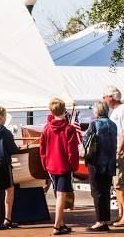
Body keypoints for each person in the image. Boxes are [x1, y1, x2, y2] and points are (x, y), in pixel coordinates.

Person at [40, 98, 79, 235]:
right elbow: (72, 151)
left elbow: (42, 149)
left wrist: (45, 164)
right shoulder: (69, 129)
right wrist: (74, 166)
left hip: (51, 166)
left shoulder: (46, 128)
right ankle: (57, 226)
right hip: (64, 166)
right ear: (64, 111)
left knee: (58, 194)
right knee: (61, 195)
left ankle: (61, 223)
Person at [83, 101, 117, 232]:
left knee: (96, 192)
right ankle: (105, 220)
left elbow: (86, 141)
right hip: (109, 164)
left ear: (97, 111)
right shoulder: (113, 125)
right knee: (105, 192)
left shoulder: (94, 124)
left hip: (96, 163)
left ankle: (100, 222)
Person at [105, 86, 124, 226]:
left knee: (121, 184)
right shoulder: (115, 111)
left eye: (105, 96)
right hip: (115, 152)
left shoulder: (121, 111)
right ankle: (120, 214)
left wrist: (118, 150)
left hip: (120, 152)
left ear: (112, 97)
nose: (103, 98)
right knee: (117, 185)